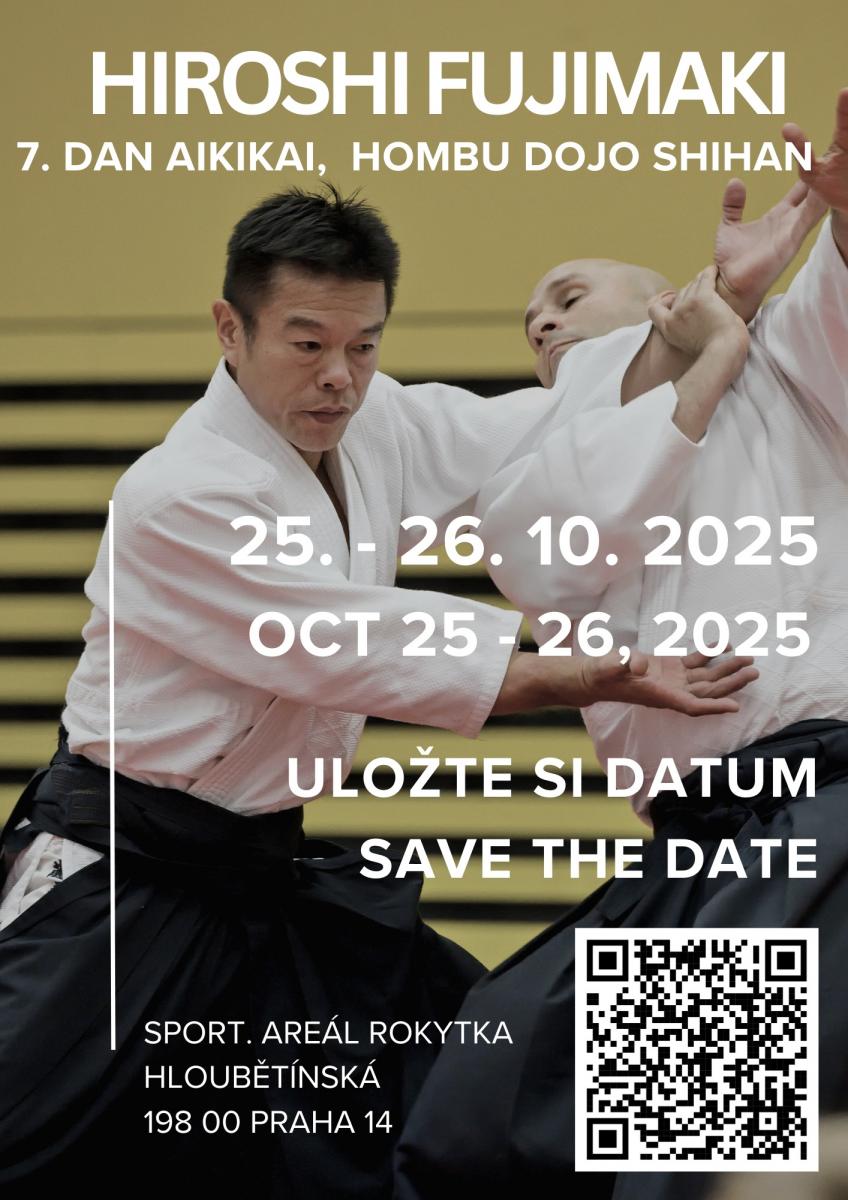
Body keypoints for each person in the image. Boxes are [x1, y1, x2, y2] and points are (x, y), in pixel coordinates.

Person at [0, 188, 755, 1197]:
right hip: (126, 881)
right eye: (308, 344)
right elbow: (357, 647)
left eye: (364, 346)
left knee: (480, 1088)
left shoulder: (734, 379)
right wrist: (597, 672)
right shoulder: (178, 494)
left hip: (724, 833)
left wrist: (725, 319)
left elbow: (546, 429)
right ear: (230, 328)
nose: (340, 377)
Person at [395, 89, 848, 1200]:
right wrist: (703, 342)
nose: (542, 324)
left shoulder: (787, 362)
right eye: (528, 323)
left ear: (659, 292)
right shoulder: (523, 466)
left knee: (701, 1163)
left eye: (567, 296)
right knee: (479, 1120)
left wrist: (835, 224)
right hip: (707, 839)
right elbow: (575, 535)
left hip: (821, 793)